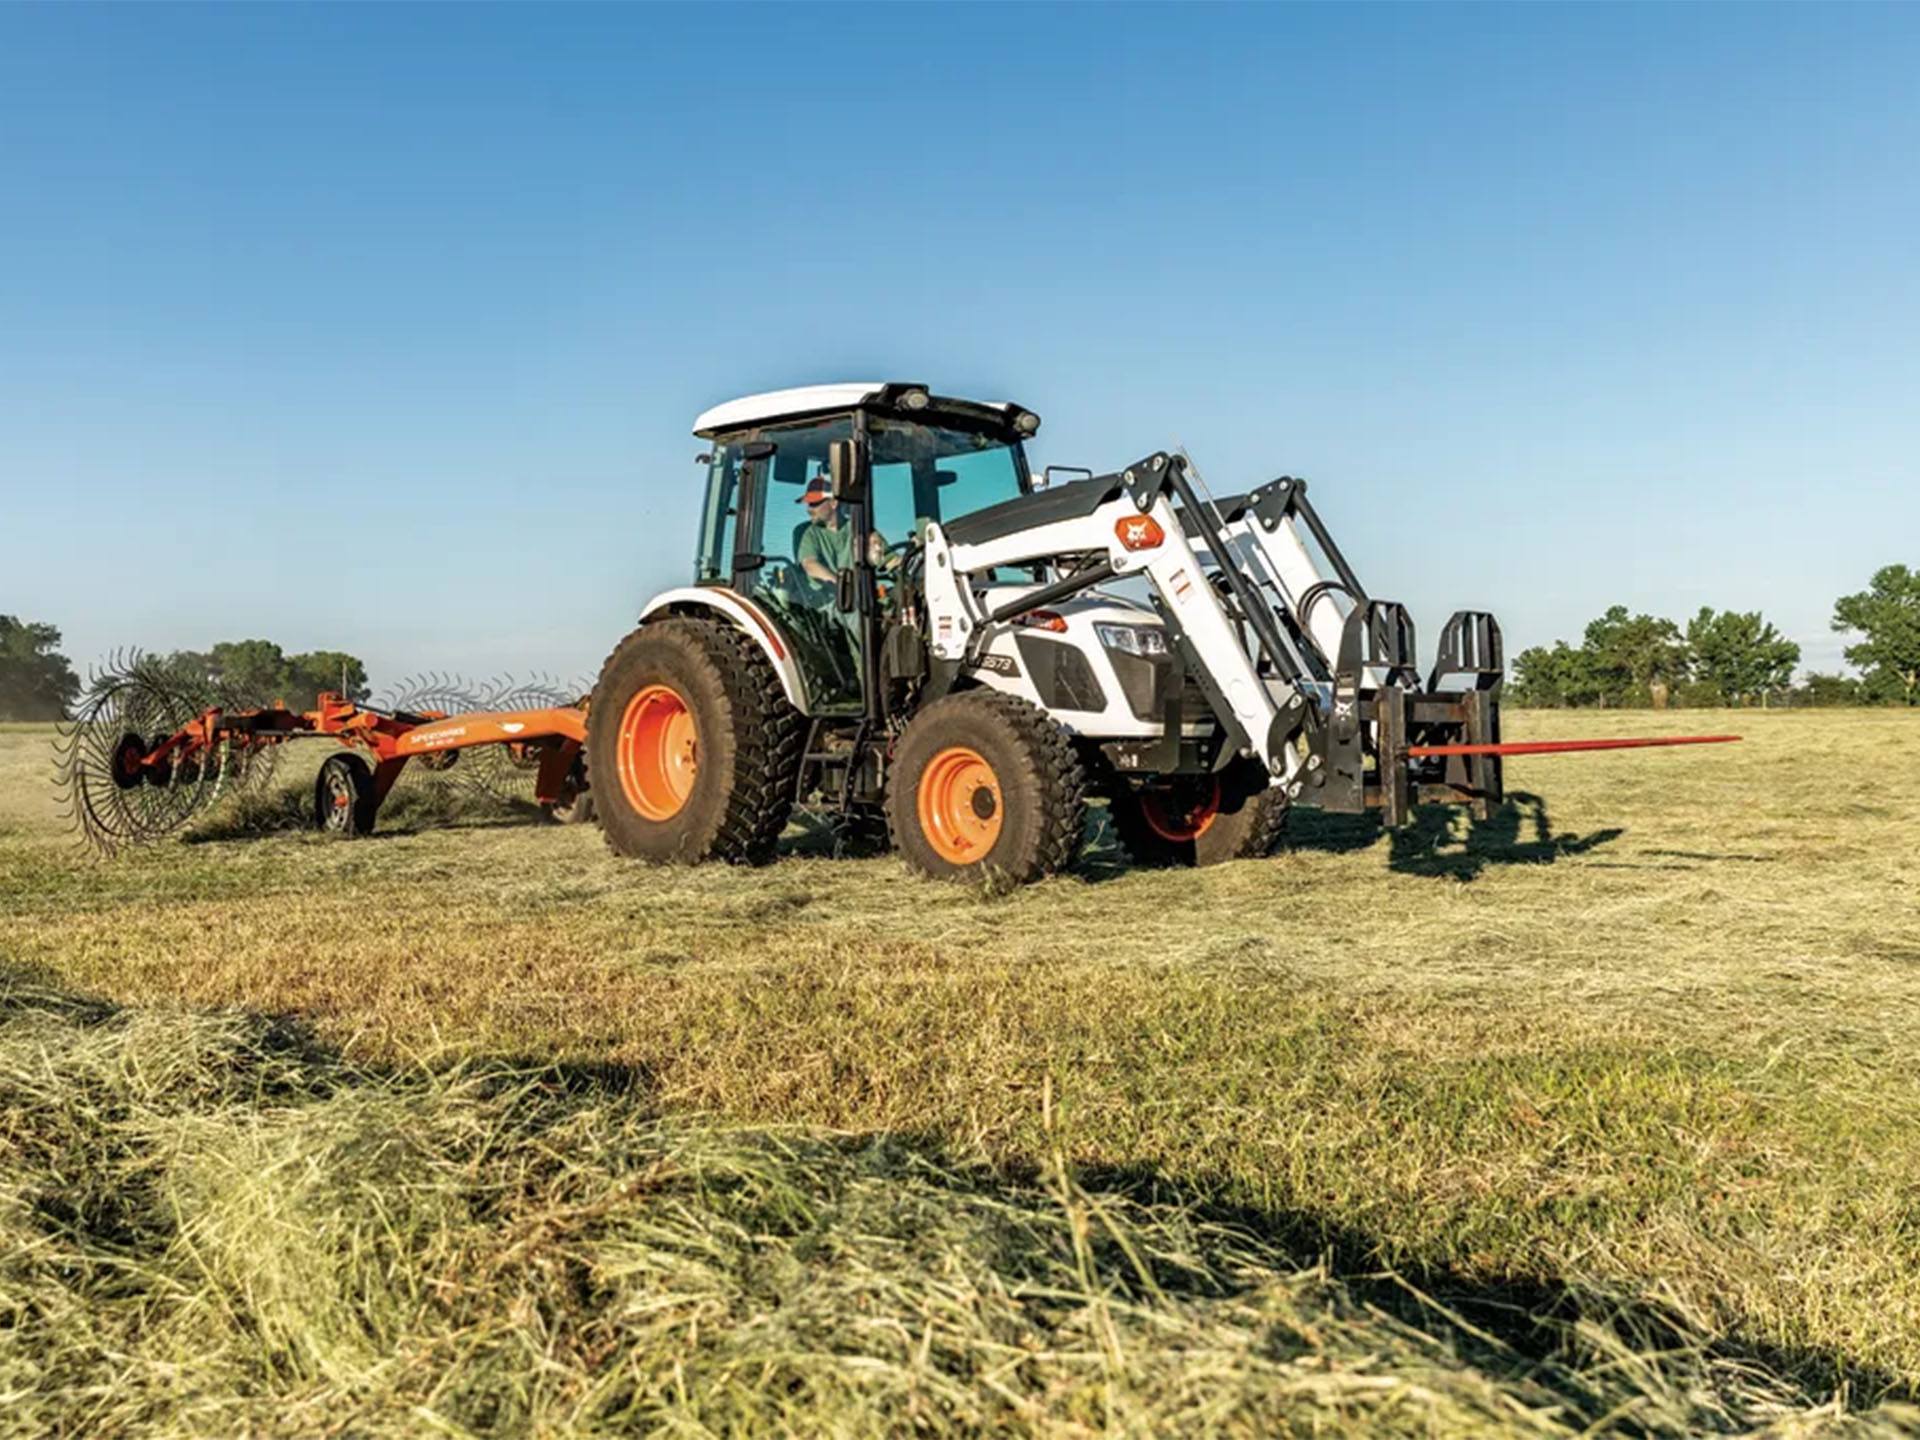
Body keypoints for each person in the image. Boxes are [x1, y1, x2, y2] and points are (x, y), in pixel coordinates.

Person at [795, 477, 887, 591]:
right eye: (809, 504)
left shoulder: (860, 528)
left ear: (834, 503)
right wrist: (843, 587)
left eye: (814, 503)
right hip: (827, 602)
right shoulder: (811, 534)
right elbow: (810, 564)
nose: (809, 509)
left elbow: (889, 559)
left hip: (862, 600)